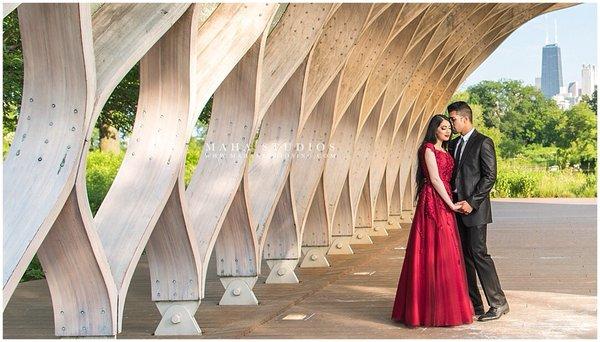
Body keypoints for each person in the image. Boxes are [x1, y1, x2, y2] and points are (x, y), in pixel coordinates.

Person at [391, 114, 473, 327]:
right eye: (443, 128)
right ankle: (425, 309)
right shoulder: (427, 149)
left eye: (449, 128)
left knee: (446, 251)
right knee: (430, 249)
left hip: (444, 199)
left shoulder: (445, 150)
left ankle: (443, 304)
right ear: (434, 129)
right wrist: (450, 204)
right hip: (434, 201)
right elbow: (435, 179)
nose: (447, 131)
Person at [447, 101, 509, 322]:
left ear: (465, 118)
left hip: (475, 210)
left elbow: (489, 176)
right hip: (456, 210)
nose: (451, 123)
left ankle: (499, 303)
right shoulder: (453, 145)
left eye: (453, 119)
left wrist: (471, 202)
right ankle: (475, 305)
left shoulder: (483, 142)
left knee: (480, 255)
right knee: (466, 258)